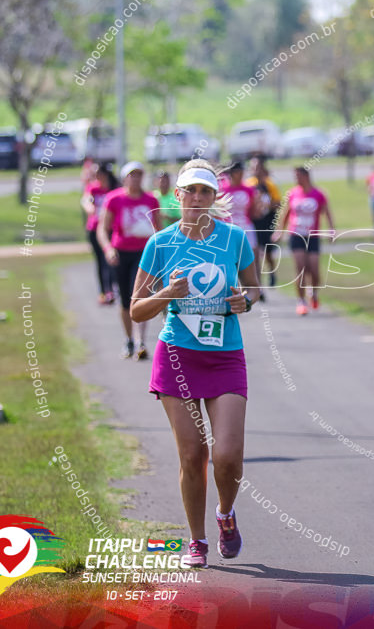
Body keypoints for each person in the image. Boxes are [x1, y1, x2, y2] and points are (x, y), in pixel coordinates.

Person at [131, 159, 259, 569]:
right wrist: (167, 293)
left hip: (224, 355)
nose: (198, 198)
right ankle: (197, 540)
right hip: (177, 358)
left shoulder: (235, 239)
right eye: (191, 191)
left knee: (228, 455)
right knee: (192, 456)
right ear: (178, 196)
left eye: (206, 191)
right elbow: (136, 310)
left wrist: (247, 301)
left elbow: (254, 288)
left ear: (214, 197)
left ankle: (225, 513)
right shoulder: (160, 244)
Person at [98, 161, 161, 360]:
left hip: (144, 253)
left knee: (141, 296)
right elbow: (102, 228)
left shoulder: (151, 200)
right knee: (125, 300)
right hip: (121, 253)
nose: (135, 179)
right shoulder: (114, 199)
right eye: (132, 175)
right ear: (125, 178)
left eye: (139, 175)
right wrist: (108, 249)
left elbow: (158, 229)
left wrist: (162, 253)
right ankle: (129, 340)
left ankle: (141, 340)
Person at [272, 167, 334, 316]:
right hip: (296, 235)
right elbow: (286, 213)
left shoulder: (318, 194)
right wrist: (279, 231)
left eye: (298, 176)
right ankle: (301, 301)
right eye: (295, 176)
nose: (296, 179)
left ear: (306, 176)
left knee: (313, 269)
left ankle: (313, 293)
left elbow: (327, 212)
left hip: (313, 236)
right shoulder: (293, 193)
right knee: (300, 268)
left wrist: (332, 229)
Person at [81, 163, 118, 305]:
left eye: (99, 174)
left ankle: (113, 289)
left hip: (111, 230)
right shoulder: (93, 188)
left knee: (111, 260)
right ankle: (104, 292)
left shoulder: (114, 190)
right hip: (95, 229)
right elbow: (86, 200)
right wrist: (89, 207)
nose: (97, 177)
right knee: (100, 261)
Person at [246, 156, 281, 292]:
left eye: (258, 167)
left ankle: (272, 271)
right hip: (253, 222)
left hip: (267, 221)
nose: (255, 170)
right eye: (253, 167)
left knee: (267, 251)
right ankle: (257, 282)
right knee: (256, 252)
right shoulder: (249, 184)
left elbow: (278, 203)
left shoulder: (270, 184)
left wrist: (266, 204)